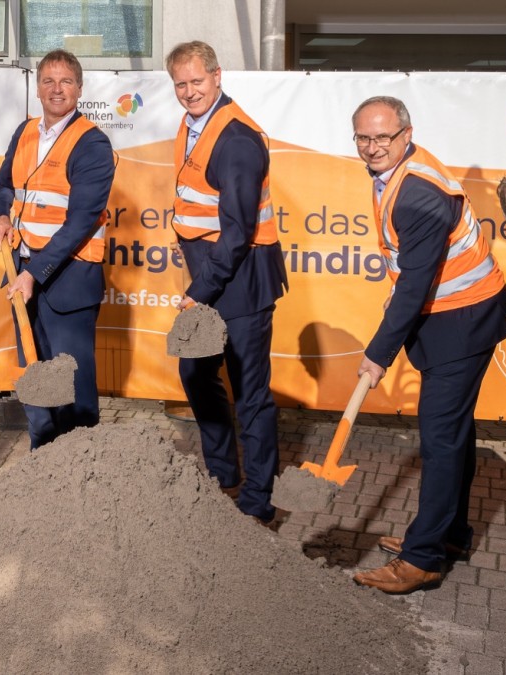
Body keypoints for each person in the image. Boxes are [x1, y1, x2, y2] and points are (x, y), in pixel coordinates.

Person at [350, 96, 506, 594]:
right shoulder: (399, 173)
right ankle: (451, 534)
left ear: (406, 134)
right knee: (454, 434)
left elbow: (416, 284)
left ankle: (422, 560)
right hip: (459, 314)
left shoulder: (417, 194)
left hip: (462, 321)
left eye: (383, 137)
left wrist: (378, 353)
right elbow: (413, 275)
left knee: (440, 439)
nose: (373, 147)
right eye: (363, 137)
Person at [166, 41, 288, 523]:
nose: (190, 91)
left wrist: (199, 291)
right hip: (212, 277)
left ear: (218, 76)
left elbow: (238, 232)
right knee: (196, 373)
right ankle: (223, 475)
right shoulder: (195, 124)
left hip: (240, 284)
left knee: (250, 393)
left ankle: (257, 502)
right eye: (181, 83)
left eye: (198, 81)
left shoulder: (235, 138)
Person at [0, 49, 116, 450]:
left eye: (65, 81)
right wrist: (1, 214)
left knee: (71, 384)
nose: (56, 89)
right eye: (48, 81)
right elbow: (3, 184)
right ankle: (42, 460)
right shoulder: (25, 131)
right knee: (33, 376)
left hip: (67, 282)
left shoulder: (92, 144)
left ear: (79, 88)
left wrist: (31, 272)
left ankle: (78, 466)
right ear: (37, 88)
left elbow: (79, 222)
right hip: (23, 273)